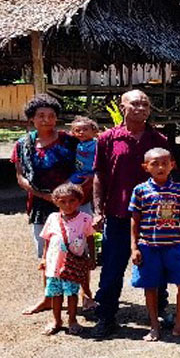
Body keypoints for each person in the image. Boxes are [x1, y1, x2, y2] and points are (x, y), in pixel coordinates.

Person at [92, 90, 170, 338]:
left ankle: (159, 313)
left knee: (157, 266)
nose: (140, 108)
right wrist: (97, 210)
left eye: (145, 104)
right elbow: (99, 176)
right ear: (122, 107)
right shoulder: (107, 139)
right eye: (134, 103)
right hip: (117, 214)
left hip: (152, 218)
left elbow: (168, 178)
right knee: (112, 268)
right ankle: (106, 316)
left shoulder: (159, 140)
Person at [12, 93, 79, 316]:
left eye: (51, 116)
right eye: (41, 115)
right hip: (40, 205)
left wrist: (63, 195)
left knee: (77, 250)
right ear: (31, 118)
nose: (46, 120)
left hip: (71, 203)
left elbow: (82, 170)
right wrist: (43, 195)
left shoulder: (69, 141)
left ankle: (84, 296)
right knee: (47, 253)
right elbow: (21, 177)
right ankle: (48, 298)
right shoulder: (23, 144)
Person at [129, 148, 180, 341]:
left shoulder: (179, 190)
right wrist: (134, 247)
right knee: (151, 285)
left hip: (174, 245)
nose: (160, 167)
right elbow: (135, 220)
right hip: (148, 246)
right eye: (154, 163)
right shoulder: (140, 190)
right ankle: (154, 326)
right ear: (146, 167)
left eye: (164, 163)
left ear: (172, 165)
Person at [39, 183, 95, 336]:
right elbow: (47, 240)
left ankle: (72, 320)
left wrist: (92, 257)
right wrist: (44, 259)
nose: (68, 205)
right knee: (55, 293)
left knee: (72, 293)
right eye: (63, 201)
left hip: (73, 264)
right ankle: (56, 320)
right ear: (55, 201)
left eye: (72, 201)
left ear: (79, 201)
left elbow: (90, 239)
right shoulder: (52, 218)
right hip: (54, 264)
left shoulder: (85, 219)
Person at [68, 115, 100, 310]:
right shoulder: (75, 144)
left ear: (94, 131)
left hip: (91, 174)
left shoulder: (96, 144)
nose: (81, 133)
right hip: (79, 175)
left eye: (85, 130)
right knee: (71, 189)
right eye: (77, 130)